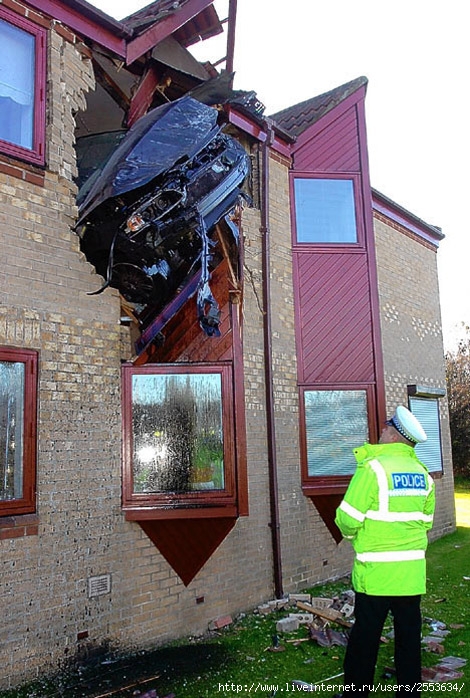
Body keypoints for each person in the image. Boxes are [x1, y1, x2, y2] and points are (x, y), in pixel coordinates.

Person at [334, 405, 435, 697]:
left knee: (364, 639)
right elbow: (425, 522)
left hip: (376, 576)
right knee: (408, 639)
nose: (380, 431)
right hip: (410, 577)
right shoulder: (423, 474)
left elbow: (347, 519)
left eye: (385, 428)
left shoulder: (373, 469)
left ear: (395, 436)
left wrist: (356, 537)